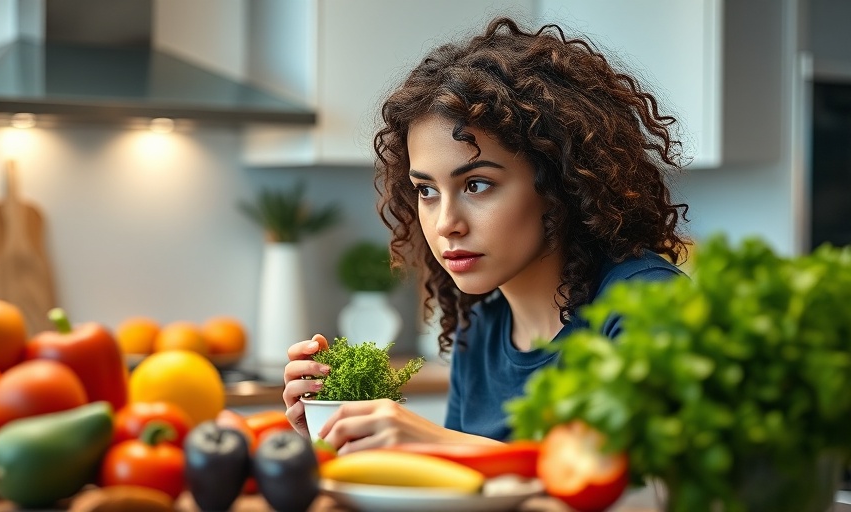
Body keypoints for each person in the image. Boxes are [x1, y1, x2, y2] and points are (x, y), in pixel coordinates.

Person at [282, 16, 690, 452]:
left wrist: (439, 443)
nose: (446, 224)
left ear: (560, 183)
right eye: (427, 191)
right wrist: (345, 436)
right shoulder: (478, 330)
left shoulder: (648, 307)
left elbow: (636, 493)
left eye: (476, 184)